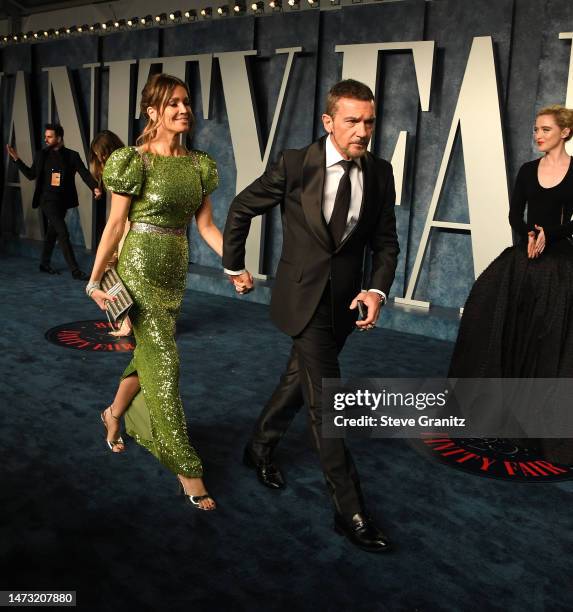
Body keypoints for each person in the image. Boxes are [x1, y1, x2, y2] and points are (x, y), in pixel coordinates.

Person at [223, 79, 399, 552]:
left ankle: (259, 446)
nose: (363, 130)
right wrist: (234, 265)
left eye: (369, 121)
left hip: (345, 303)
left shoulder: (380, 172)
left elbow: (385, 242)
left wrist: (377, 291)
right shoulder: (296, 163)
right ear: (328, 122)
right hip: (301, 299)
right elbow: (242, 208)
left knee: (298, 378)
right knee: (327, 404)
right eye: (352, 121)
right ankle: (350, 511)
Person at [86, 74, 222, 511]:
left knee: (146, 356)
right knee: (165, 361)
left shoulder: (198, 164)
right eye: (174, 104)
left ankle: (112, 415)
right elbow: (114, 226)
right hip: (139, 269)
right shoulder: (134, 161)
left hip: (173, 273)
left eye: (186, 102)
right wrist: (94, 279)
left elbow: (205, 227)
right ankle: (189, 472)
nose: (184, 110)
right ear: (153, 112)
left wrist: (235, 264)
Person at [448, 106, 573, 461]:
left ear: (564, 132)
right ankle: (493, 413)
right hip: (523, 259)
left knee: (547, 340)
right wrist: (530, 234)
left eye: (545, 129)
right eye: (535, 129)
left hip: (561, 263)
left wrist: (552, 234)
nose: (537, 135)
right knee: (499, 328)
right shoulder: (527, 170)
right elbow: (514, 214)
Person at [6, 123, 101, 279]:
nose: (46, 140)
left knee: (52, 233)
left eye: (49, 137)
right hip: (47, 200)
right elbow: (31, 174)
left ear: (59, 138)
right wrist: (16, 159)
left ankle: (44, 263)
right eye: (45, 137)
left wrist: (95, 188)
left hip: (63, 201)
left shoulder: (72, 156)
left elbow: (84, 174)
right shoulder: (41, 155)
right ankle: (75, 271)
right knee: (63, 233)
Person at [89, 130, 132, 337]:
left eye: (104, 153)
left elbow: (121, 215)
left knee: (120, 271)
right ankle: (126, 320)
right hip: (123, 223)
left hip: (129, 225)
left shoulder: (122, 167)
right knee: (112, 269)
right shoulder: (122, 165)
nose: (102, 159)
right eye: (99, 156)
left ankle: (127, 323)